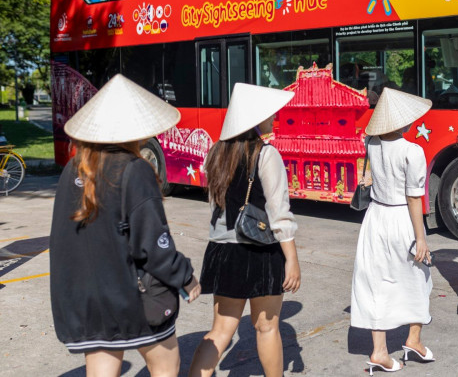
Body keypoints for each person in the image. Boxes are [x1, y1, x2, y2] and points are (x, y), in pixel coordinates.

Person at [50, 74, 200, 377]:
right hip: (128, 297)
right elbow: (154, 245)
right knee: (166, 367)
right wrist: (185, 277)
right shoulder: (135, 170)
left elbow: (63, 239)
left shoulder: (73, 169)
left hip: (84, 299)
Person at [189, 83, 301, 377]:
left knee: (220, 331)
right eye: (269, 114)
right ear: (254, 118)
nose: (274, 118)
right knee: (266, 327)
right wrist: (292, 258)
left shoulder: (216, 153)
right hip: (259, 252)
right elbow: (279, 213)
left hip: (222, 251)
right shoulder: (266, 155)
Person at [351, 88, 434, 374]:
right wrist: (420, 236)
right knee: (420, 277)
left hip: (375, 217)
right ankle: (413, 339)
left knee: (377, 282)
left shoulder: (372, 142)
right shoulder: (413, 151)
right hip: (401, 218)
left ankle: (380, 351)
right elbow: (414, 197)